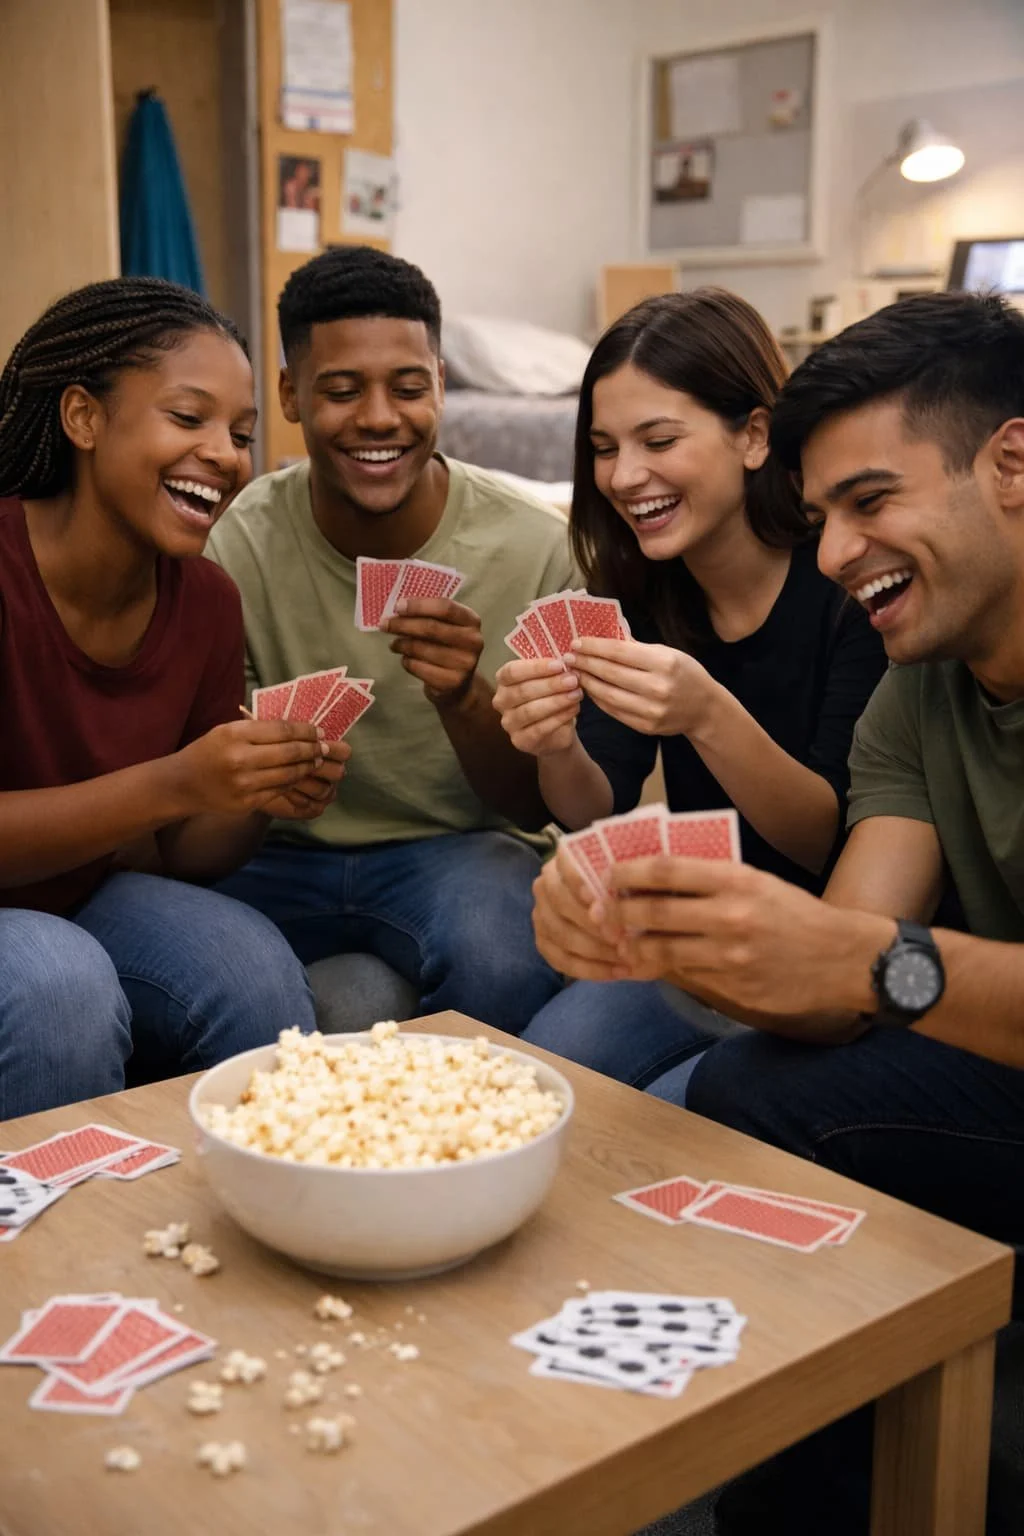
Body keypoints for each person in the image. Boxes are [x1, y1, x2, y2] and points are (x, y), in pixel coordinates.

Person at [530, 290, 1024, 1535]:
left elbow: (867, 959)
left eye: (870, 502)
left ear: (1012, 465)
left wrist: (865, 963)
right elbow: (836, 973)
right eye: (823, 519)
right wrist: (661, 923)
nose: (840, 553)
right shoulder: (915, 689)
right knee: (743, 1085)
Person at [495, 289, 885, 1089]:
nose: (624, 476)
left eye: (659, 439)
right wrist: (555, 745)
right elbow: (594, 808)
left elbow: (831, 840)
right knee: (539, 1078)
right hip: (695, 943)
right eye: (603, 447)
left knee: (690, 1110)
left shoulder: (848, 584)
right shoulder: (643, 595)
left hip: (826, 963)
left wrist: (707, 713)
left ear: (754, 435)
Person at [206, 245, 572, 1032]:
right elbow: (208, 790)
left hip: (460, 851)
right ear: (290, 395)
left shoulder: (535, 546)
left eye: (408, 388)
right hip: (276, 854)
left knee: (504, 962)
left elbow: (536, 801)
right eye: (342, 391)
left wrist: (462, 697)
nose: (378, 418)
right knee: (201, 965)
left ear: (440, 383)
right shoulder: (234, 541)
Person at [0, 277, 340, 1119]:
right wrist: (177, 781)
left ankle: (270, 1193)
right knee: (59, 984)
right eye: (189, 418)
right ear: (83, 418)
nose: (225, 455)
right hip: (37, 933)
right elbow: (166, 794)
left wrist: (256, 791)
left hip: (87, 893)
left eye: (242, 434)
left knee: (249, 968)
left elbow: (190, 853)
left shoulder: (208, 602)